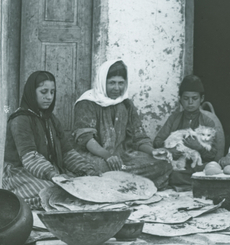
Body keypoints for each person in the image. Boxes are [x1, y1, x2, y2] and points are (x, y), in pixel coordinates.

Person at [3, 71, 99, 209]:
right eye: (44, 92)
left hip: (47, 171)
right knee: (51, 193)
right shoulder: (20, 119)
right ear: (32, 92)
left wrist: (88, 170)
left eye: (52, 92)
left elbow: (67, 152)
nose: (49, 97)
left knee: (81, 186)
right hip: (20, 172)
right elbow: (30, 157)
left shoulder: (51, 119)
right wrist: (53, 175)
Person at [72, 59, 172, 189]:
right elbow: (86, 139)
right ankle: (126, 181)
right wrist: (108, 156)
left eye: (121, 83)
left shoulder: (126, 104)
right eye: (112, 83)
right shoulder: (87, 102)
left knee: (164, 164)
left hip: (122, 157)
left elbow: (139, 136)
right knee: (97, 168)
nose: (117, 88)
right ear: (102, 82)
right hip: (96, 156)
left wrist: (153, 152)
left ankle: (116, 180)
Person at [153, 75, 217, 191]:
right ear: (180, 100)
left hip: (196, 167)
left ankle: (184, 183)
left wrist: (198, 147)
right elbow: (157, 142)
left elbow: (213, 153)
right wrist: (170, 151)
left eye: (195, 98)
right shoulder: (174, 119)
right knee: (163, 169)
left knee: (210, 170)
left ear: (202, 99)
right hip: (176, 165)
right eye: (186, 98)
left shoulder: (208, 122)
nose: (190, 102)